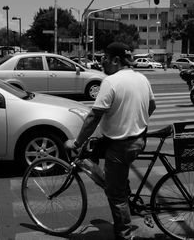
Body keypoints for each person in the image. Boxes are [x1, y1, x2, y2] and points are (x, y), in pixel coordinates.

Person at [65, 42, 156, 240]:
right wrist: (136, 121)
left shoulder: (111, 81)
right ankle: (121, 188)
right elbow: (152, 105)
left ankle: (124, 234)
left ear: (115, 60)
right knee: (109, 170)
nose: (101, 62)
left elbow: (93, 117)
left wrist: (77, 143)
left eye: (104, 58)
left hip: (120, 146)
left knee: (115, 195)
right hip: (138, 140)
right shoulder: (141, 78)